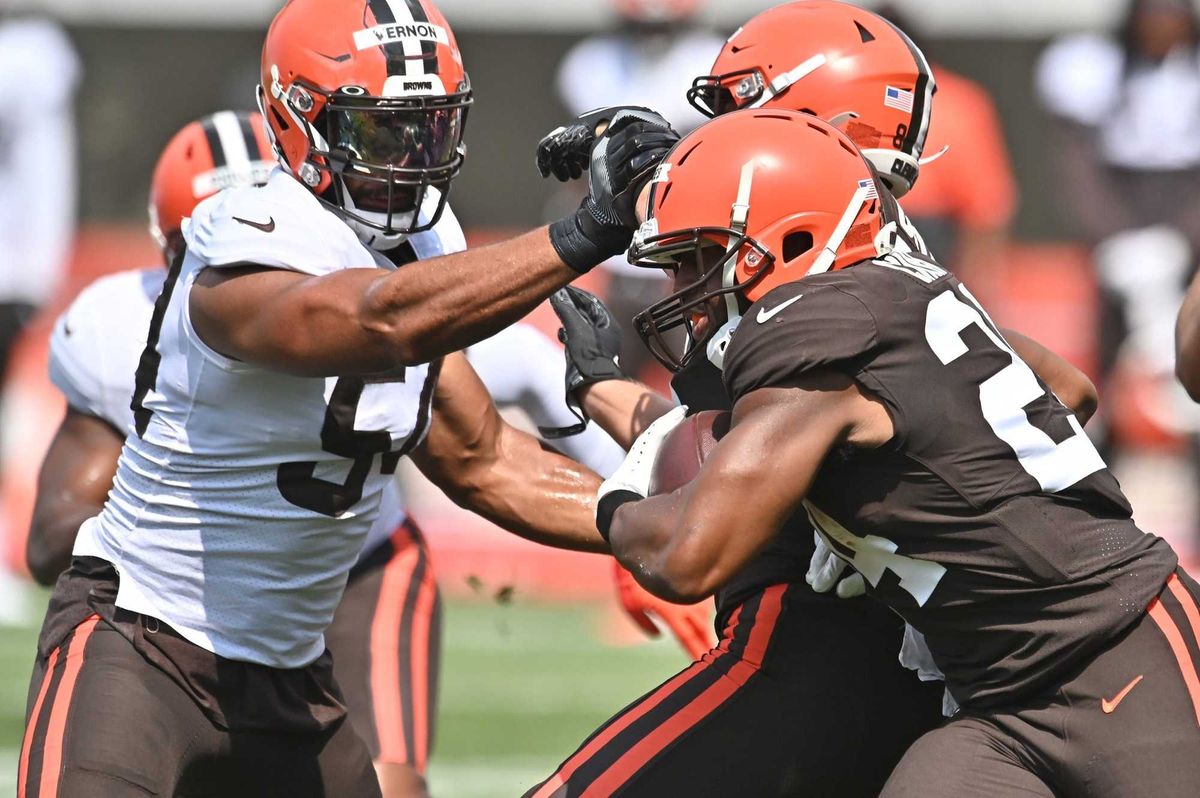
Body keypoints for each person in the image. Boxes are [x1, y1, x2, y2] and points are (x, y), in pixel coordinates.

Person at [17, 1, 681, 795]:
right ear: (298, 123)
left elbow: (485, 462)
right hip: (143, 644)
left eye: (428, 130)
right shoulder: (246, 231)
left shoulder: (426, 241)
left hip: (293, 676)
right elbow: (380, 319)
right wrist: (588, 231)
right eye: (381, 133)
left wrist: (664, 521)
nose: (410, 161)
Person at [526, 3, 1098, 795]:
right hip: (911, 656)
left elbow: (699, 523)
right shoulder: (881, 251)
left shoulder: (833, 276)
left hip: (816, 640)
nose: (709, 133)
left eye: (734, 108)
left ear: (805, 111)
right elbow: (1058, 392)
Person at [599, 109, 1198, 797]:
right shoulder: (893, 290)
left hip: (1119, 656)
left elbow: (686, 557)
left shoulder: (814, 331)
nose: (682, 291)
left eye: (697, 258)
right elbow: (1069, 387)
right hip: (996, 704)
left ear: (790, 238)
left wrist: (616, 497)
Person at [554, 0, 724, 386]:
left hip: (690, 252)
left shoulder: (711, 59)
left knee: (702, 386)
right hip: (611, 252)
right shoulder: (590, 64)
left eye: (662, 30)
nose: (653, 37)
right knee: (598, 378)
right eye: (643, 28)